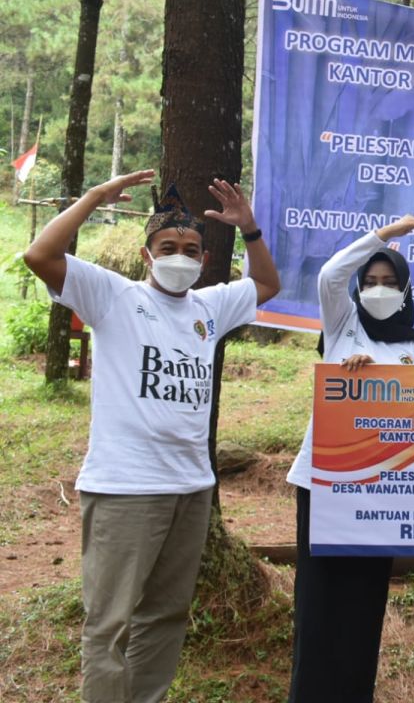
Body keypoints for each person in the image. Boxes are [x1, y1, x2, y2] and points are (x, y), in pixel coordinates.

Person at [23, 171, 280, 703]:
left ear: (204, 261)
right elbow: (40, 256)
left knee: (166, 614)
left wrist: (250, 229)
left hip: (190, 487)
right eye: (169, 247)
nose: (180, 257)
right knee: (109, 623)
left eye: (190, 250)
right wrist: (93, 199)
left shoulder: (210, 307)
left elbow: (267, 286)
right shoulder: (113, 296)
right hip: (124, 488)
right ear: (147, 254)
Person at [286, 215, 414, 702]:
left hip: (384, 488)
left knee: (364, 601)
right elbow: (330, 274)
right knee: (318, 600)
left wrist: (382, 382)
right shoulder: (343, 324)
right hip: (324, 481)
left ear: (406, 289)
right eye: (370, 282)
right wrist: (385, 236)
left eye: (390, 282)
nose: (378, 290)